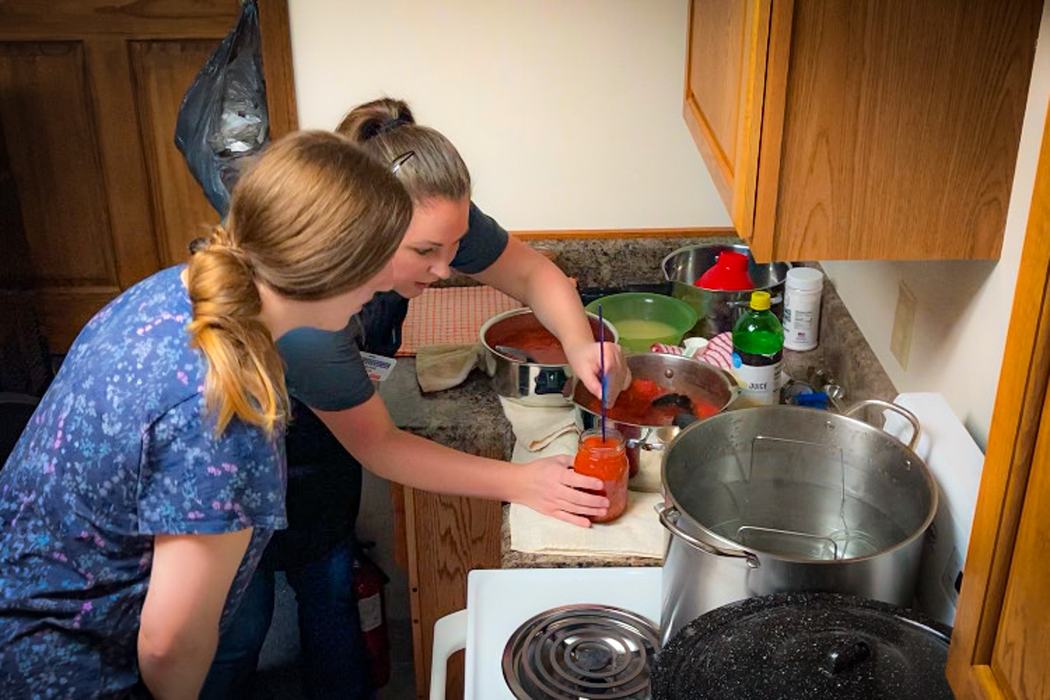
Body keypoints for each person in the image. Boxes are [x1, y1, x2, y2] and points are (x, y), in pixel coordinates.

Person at [203, 98, 631, 699]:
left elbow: (533, 272)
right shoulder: (313, 328)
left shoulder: (436, 218)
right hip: (242, 462)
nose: (446, 268)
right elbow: (380, 446)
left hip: (329, 448)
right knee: (235, 629)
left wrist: (581, 344)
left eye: (454, 246)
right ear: (362, 228)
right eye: (426, 253)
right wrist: (523, 482)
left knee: (327, 587)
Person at [0, 130, 414, 698]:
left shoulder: (178, 289)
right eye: (378, 264)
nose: (388, 281)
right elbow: (171, 643)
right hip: (63, 666)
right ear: (330, 270)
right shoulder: (229, 408)